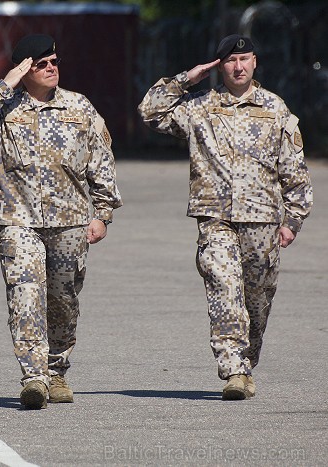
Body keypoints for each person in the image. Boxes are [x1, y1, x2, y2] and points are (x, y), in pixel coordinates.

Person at [138, 34, 313, 400]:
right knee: (223, 285)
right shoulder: (200, 107)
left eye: (245, 59)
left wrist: (293, 220)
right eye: (231, 61)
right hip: (215, 217)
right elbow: (150, 112)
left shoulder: (274, 108)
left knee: (257, 301)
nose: (238, 67)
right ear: (220, 66)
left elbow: (294, 169)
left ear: (255, 62)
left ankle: (247, 356)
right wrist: (188, 79)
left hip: (263, 221)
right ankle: (233, 369)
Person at [0, 34, 122, 409]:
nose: (52, 68)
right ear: (24, 69)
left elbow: (101, 160)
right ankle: (33, 378)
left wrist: (102, 213)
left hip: (70, 223)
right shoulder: (4, 109)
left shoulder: (78, 107)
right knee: (25, 295)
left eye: (54, 61)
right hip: (19, 221)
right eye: (41, 63)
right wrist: (8, 81)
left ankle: (56, 369)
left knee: (62, 300)